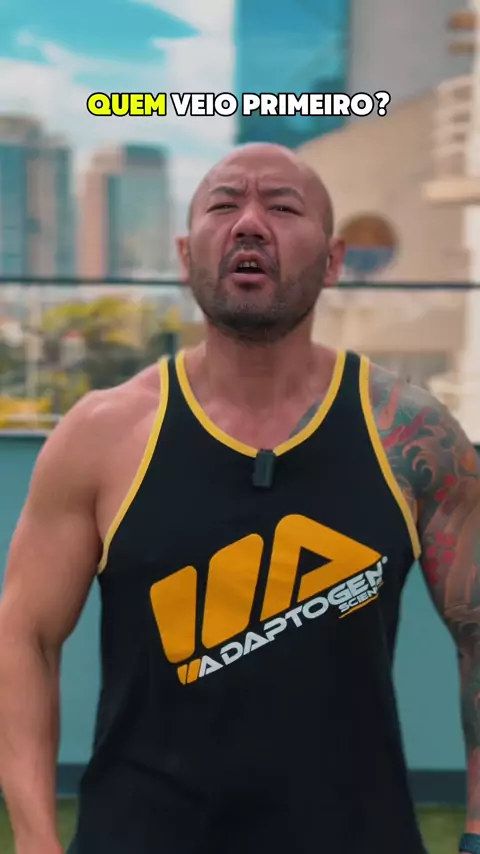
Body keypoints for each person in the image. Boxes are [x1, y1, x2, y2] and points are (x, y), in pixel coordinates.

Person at [0, 142, 478, 854]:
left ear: (334, 260)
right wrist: (36, 841)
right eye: (224, 205)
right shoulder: (101, 434)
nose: (249, 223)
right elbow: (24, 638)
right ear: (185, 253)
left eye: (282, 206)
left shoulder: (413, 436)